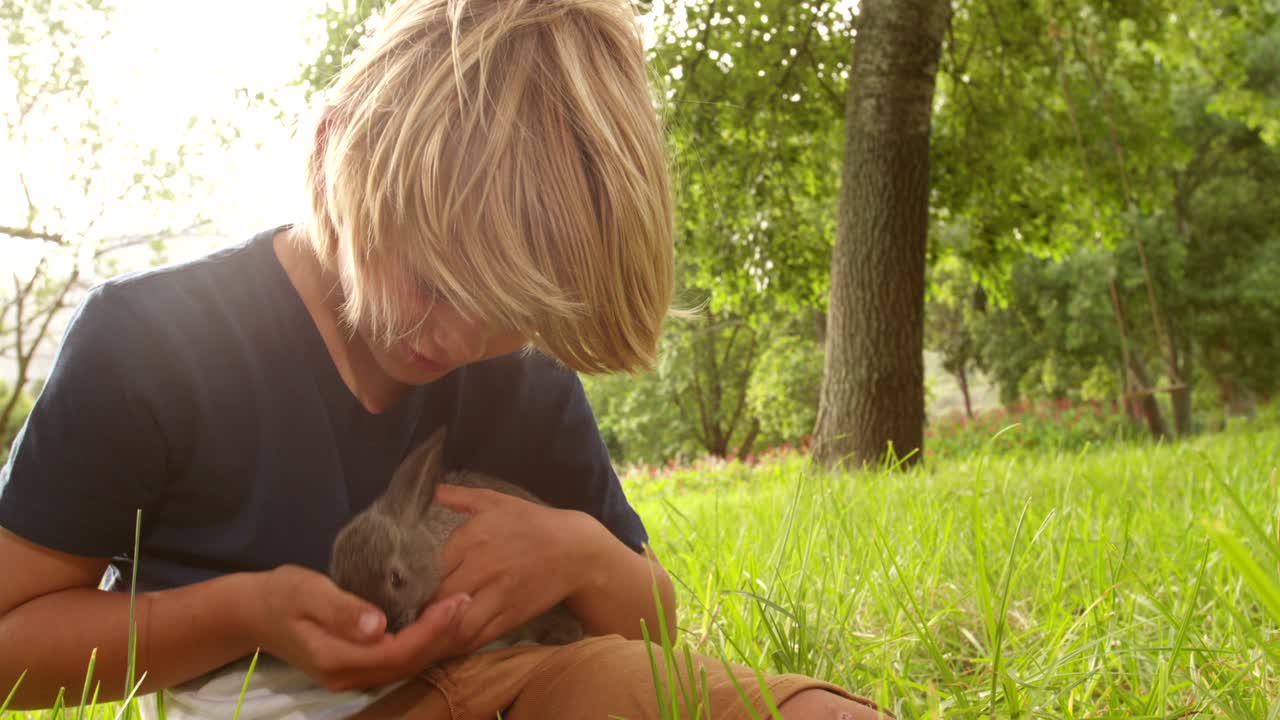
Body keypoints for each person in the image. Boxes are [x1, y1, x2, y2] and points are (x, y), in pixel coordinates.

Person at [0, 0, 889, 717]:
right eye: (429, 278)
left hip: (523, 683)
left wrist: (582, 555)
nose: (459, 340)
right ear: (331, 152)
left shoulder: (529, 382)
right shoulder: (152, 345)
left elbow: (653, 626)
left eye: (510, 310)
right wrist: (247, 611)